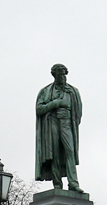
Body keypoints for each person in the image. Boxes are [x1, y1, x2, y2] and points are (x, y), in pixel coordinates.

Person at [35, 63, 82, 191]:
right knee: (54, 152)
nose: (63, 77)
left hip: (66, 122)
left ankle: (73, 183)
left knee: (70, 151)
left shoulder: (73, 91)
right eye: (60, 75)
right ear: (54, 75)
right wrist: (54, 104)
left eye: (64, 75)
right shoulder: (45, 91)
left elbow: (78, 112)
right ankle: (57, 183)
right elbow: (39, 109)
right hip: (52, 121)